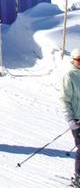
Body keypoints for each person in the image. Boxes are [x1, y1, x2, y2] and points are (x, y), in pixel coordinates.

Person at [60, 48, 80, 187]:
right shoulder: (69, 76)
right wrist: (70, 120)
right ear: (73, 60)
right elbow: (64, 99)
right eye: (79, 60)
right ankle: (79, 177)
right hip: (77, 120)